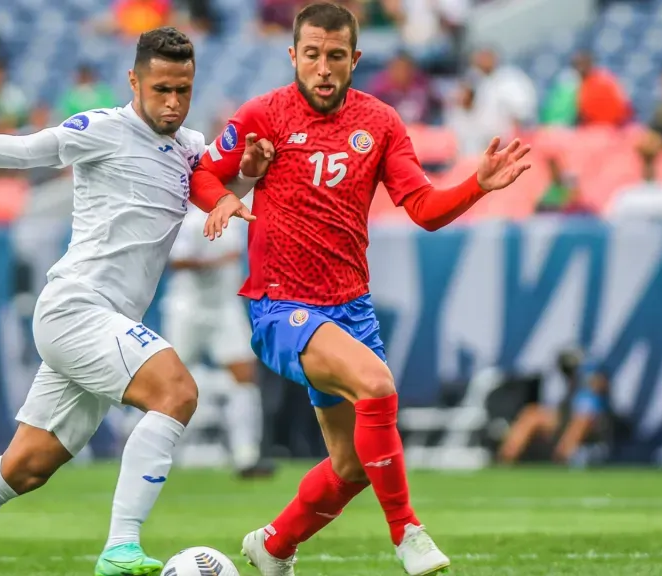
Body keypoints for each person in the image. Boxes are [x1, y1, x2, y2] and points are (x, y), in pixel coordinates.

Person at [0, 27, 266, 576]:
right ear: (134, 80)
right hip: (77, 307)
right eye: (162, 88)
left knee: (24, 467)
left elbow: (220, 186)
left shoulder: (191, 148)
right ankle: (121, 547)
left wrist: (253, 174)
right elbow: (29, 149)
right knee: (176, 391)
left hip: (111, 322)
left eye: (183, 90)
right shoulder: (102, 129)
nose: (173, 102)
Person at [189, 4, 532, 575]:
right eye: (313, 55)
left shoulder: (381, 123)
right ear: (293, 55)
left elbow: (422, 208)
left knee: (350, 465)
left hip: (351, 310)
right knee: (377, 385)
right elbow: (203, 170)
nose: (324, 67)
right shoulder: (262, 115)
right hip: (281, 306)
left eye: (336, 56)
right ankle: (408, 533)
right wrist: (223, 196)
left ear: (355, 59)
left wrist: (477, 184)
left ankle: (272, 547)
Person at [162, 202, 275, 478]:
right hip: (187, 308)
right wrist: (216, 262)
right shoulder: (191, 219)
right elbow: (176, 260)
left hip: (225, 307)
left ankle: (246, 455)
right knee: (169, 381)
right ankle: (162, 453)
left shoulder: (238, 216)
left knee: (245, 378)